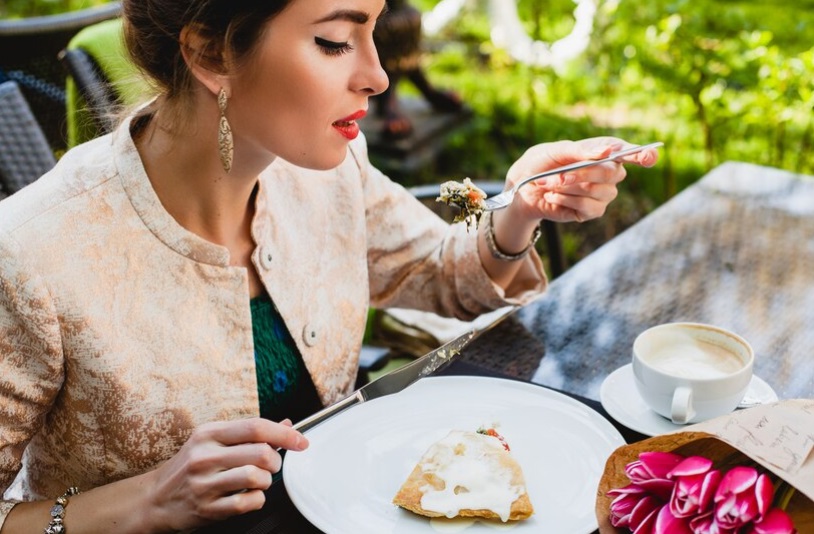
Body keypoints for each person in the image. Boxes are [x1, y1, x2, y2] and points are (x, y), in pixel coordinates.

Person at [0, 0, 659, 532]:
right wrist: (141, 503)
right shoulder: (32, 255)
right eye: (336, 41)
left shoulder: (331, 168)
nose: (378, 76)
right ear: (209, 51)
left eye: (372, 29)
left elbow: (435, 270)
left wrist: (519, 207)